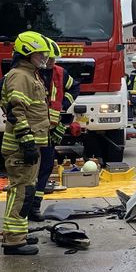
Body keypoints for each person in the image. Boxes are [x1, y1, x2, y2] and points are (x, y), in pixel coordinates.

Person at [0, 31, 51, 255]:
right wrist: (27, 142)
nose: (43, 58)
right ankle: (13, 242)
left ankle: (18, 234)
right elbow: (16, 111)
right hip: (22, 146)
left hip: (30, 144)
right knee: (21, 192)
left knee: (26, 190)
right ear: (27, 53)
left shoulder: (31, 75)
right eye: (39, 53)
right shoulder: (20, 75)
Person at [31, 36, 80, 222]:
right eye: (48, 58)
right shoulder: (30, 73)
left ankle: (35, 206)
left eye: (53, 59)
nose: (51, 62)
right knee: (29, 170)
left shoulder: (60, 73)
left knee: (45, 169)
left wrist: (64, 104)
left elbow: (74, 87)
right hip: (33, 129)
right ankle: (26, 205)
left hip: (51, 130)